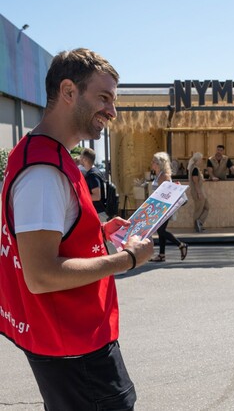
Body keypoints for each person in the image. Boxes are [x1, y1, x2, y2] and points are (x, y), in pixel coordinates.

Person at [0, 48, 154, 410]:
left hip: (69, 343)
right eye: (103, 98)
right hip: (74, 346)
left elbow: (49, 240)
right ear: (68, 91)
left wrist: (98, 234)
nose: (112, 112)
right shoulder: (44, 171)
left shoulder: (44, 155)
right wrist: (128, 259)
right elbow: (40, 274)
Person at [150, 151, 188, 262]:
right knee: (161, 230)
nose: (152, 163)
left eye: (154, 162)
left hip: (164, 207)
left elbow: (165, 193)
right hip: (160, 206)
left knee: (161, 230)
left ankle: (181, 245)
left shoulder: (163, 176)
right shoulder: (159, 175)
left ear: (159, 164)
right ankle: (162, 255)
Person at [80, 147, 108, 222]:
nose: (80, 159)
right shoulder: (96, 171)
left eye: (81, 157)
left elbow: (97, 196)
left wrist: (81, 198)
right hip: (100, 212)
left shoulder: (92, 175)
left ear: (84, 160)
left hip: (99, 213)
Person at [188, 152, 209, 232]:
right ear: (198, 159)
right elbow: (195, 182)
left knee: (206, 207)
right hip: (198, 191)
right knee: (198, 209)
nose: (202, 160)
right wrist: (199, 193)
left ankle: (199, 222)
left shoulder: (194, 168)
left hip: (200, 190)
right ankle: (197, 226)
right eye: (201, 159)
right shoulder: (195, 169)